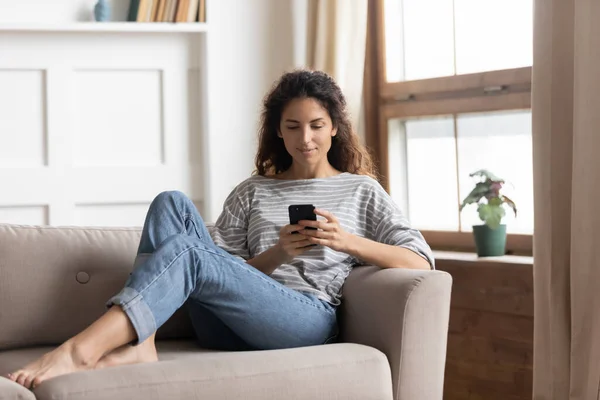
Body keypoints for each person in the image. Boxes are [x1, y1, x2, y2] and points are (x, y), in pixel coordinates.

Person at [6, 70, 434, 390]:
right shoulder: (252, 191)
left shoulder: (361, 189)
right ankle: (142, 344)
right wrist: (277, 254)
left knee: (192, 253)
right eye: (292, 126)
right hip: (226, 323)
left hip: (303, 320)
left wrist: (346, 242)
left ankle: (78, 350)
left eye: (317, 125)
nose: (305, 138)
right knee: (170, 202)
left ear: (335, 127)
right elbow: (219, 272)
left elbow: (419, 259)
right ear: (278, 132)